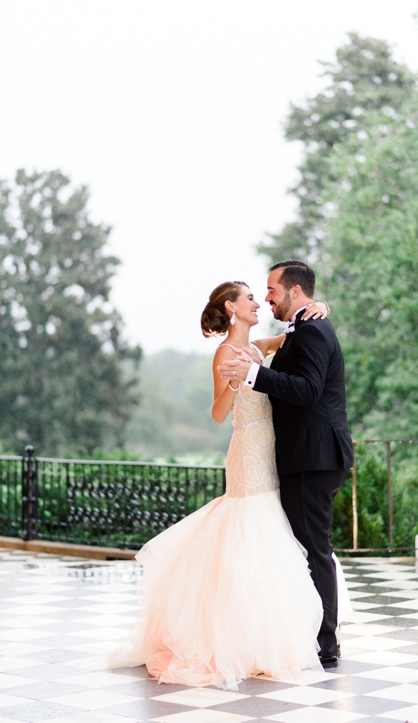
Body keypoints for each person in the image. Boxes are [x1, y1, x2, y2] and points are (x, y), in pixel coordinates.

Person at [109, 280, 349, 689]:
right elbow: (219, 413)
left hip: (271, 450)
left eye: (263, 294)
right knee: (248, 529)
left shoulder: (257, 347)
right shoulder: (225, 352)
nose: (259, 302)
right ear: (232, 308)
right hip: (247, 451)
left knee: (273, 535)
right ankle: (244, 637)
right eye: (251, 298)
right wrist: (236, 384)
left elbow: (290, 332)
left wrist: (320, 305)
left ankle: (270, 631)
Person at [217, 260, 354, 668]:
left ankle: (325, 643)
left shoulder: (311, 329)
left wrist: (254, 374)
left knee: (313, 550)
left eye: (272, 290)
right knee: (301, 548)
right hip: (300, 457)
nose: (267, 298)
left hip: (314, 456)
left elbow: (309, 391)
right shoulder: (301, 328)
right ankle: (303, 632)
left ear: (295, 292)